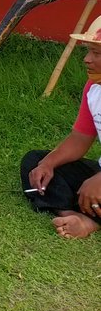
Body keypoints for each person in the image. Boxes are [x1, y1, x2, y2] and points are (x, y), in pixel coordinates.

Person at [21, 16, 101, 239]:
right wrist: (48, 163)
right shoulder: (93, 88)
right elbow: (79, 138)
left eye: (97, 54)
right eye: (88, 51)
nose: (87, 59)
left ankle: (90, 220)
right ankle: (70, 214)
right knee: (35, 162)